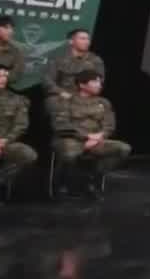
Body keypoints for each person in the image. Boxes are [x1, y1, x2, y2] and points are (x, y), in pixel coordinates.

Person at [50, 70, 130, 198]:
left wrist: (100, 137)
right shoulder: (66, 101)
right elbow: (61, 125)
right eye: (95, 82)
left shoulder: (103, 103)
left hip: (96, 141)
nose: (99, 85)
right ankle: (62, 183)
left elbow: (109, 125)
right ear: (82, 85)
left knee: (123, 149)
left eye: (99, 82)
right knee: (70, 152)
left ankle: (92, 179)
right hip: (70, 139)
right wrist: (86, 137)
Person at [45, 28, 106, 113]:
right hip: (62, 96)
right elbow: (48, 80)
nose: (87, 42)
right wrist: (61, 92)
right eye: (82, 39)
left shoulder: (95, 60)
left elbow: (100, 81)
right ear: (71, 41)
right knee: (57, 106)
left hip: (86, 96)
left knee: (102, 108)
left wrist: (87, 93)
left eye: (88, 39)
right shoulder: (57, 58)